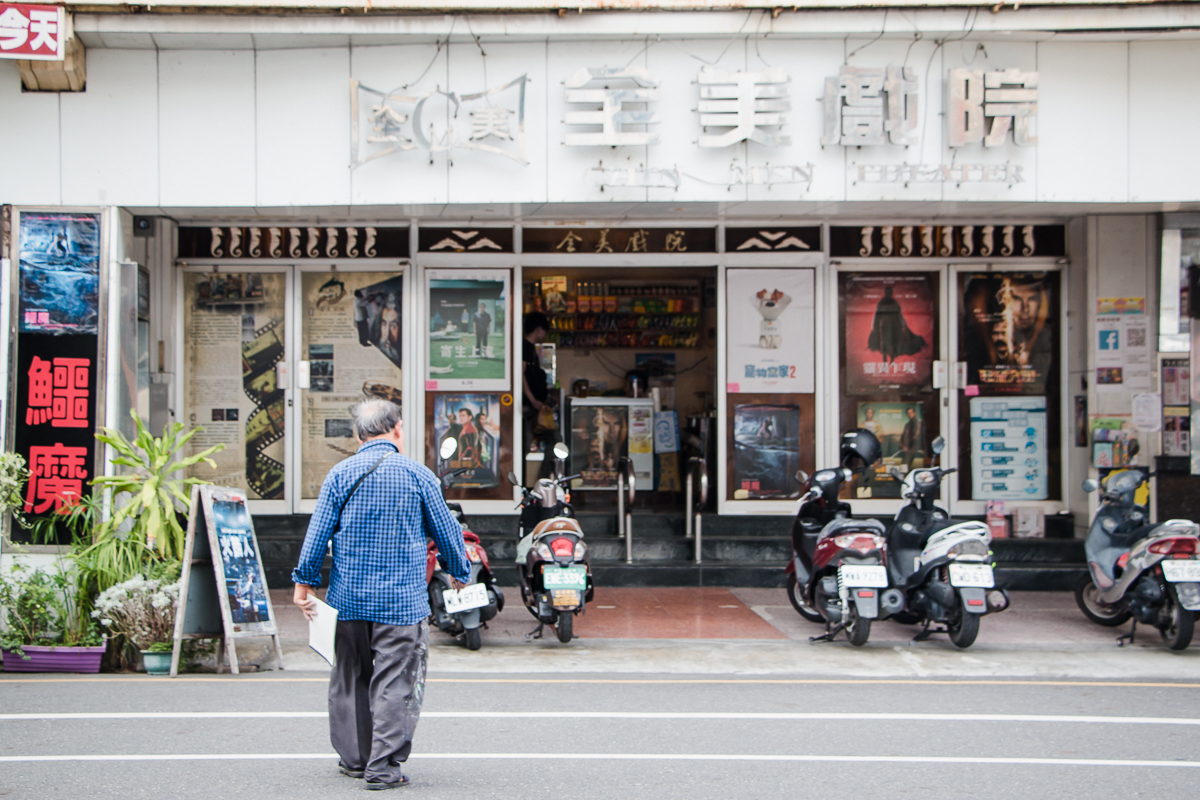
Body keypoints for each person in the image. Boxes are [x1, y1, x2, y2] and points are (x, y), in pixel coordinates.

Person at [292, 398, 470, 790]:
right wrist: (460, 573)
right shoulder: (419, 475)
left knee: (350, 677)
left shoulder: (339, 474)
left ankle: (355, 760)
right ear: (397, 430)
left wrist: (303, 584)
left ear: (358, 435)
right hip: (401, 604)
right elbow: (448, 534)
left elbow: (317, 535)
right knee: (394, 682)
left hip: (347, 600)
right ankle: (383, 767)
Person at [522, 312, 559, 477]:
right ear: (538, 329)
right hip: (529, 407)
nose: (545, 335)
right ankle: (536, 482)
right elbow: (520, 375)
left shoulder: (529, 348)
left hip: (533, 407)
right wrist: (532, 399)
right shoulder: (525, 347)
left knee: (553, 439)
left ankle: (541, 480)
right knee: (525, 445)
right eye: (544, 330)